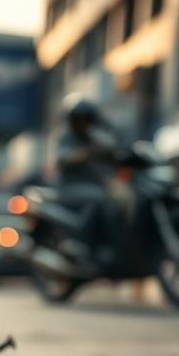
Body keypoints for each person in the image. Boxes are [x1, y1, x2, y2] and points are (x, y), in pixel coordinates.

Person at [55, 95, 132, 274]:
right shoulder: (66, 136)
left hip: (97, 187)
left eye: (87, 119)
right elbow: (63, 159)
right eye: (80, 119)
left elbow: (114, 149)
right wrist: (85, 153)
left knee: (117, 201)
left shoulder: (95, 136)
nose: (84, 123)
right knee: (100, 199)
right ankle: (80, 243)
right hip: (71, 188)